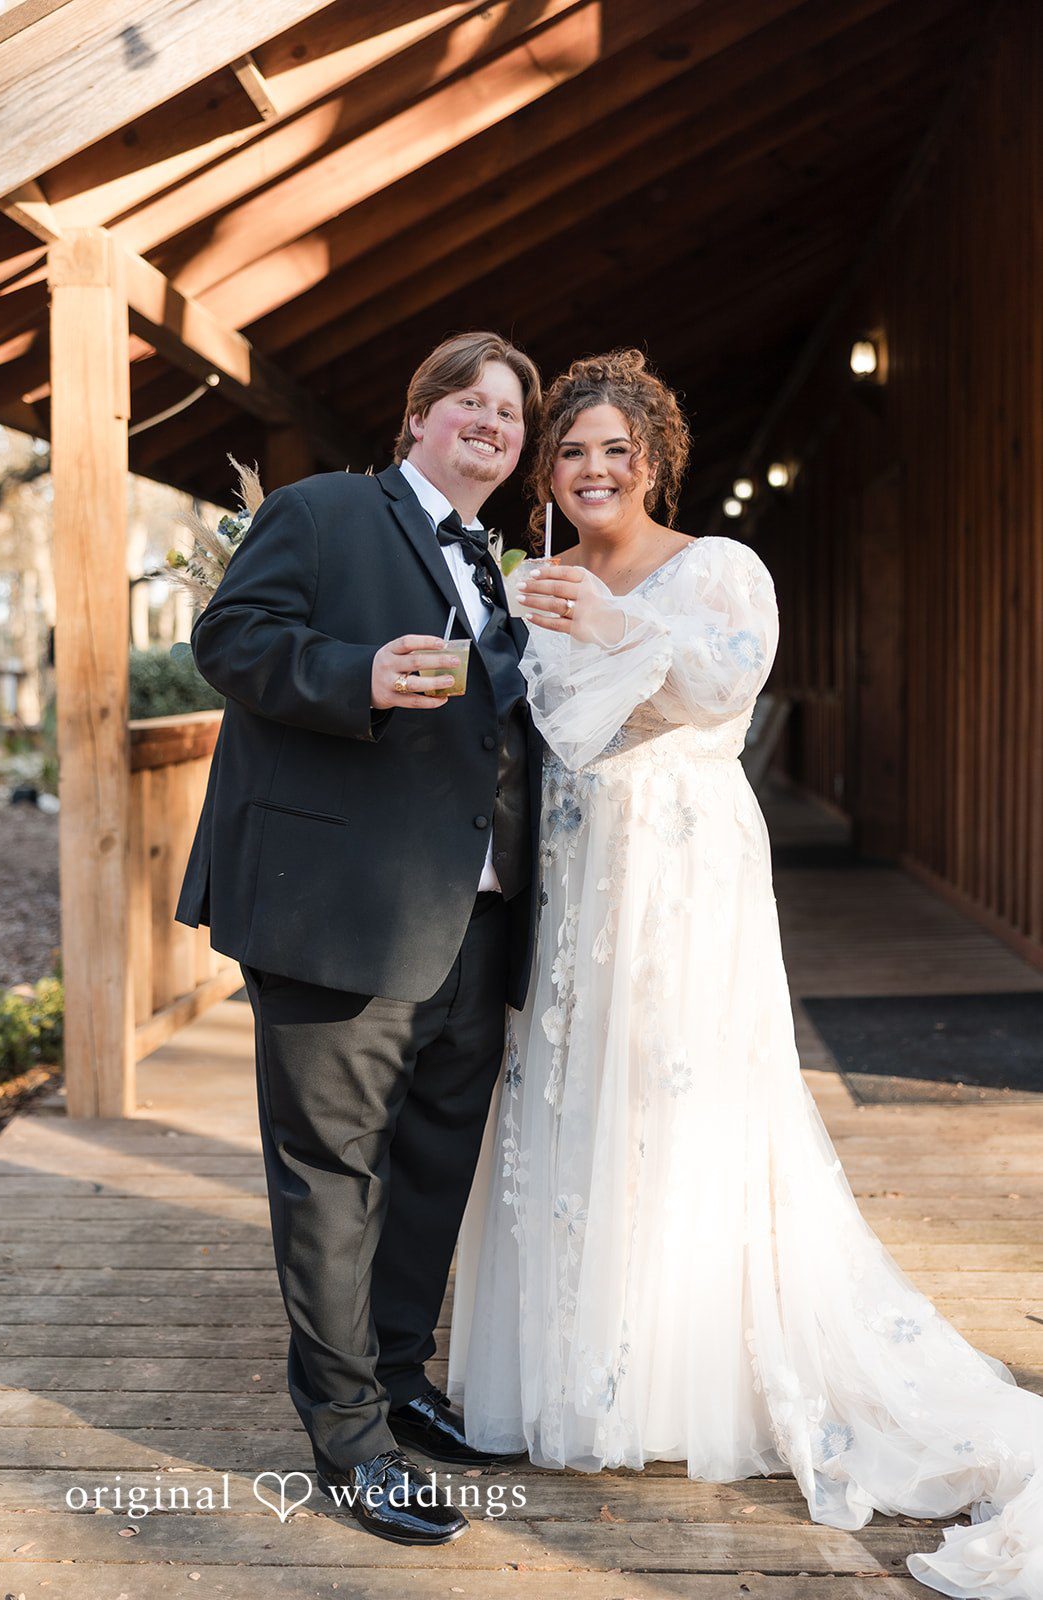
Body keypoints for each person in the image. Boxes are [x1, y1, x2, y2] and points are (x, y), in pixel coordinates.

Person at [449, 349, 1043, 1598]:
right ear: (545, 473)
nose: (592, 470)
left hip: (679, 870)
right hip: (576, 874)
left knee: (679, 1096)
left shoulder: (718, 568)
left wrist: (613, 627)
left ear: (653, 460)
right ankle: (589, 1371)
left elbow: (722, 679)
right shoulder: (537, 577)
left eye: (614, 450)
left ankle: (689, 1367)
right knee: (575, 1093)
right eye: (570, 452)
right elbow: (531, 728)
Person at [176, 331, 544, 1547]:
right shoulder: (323, 512)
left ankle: (396, 1377)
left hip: (474, 921)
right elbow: (230, 639)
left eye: (509, 411)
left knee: (433, 1169)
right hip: (337, 916)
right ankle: (347, 1441)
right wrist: (357, 673)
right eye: (469, 401)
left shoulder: (496, 566)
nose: (491, 421)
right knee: (332, 1178)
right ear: (418, 416)